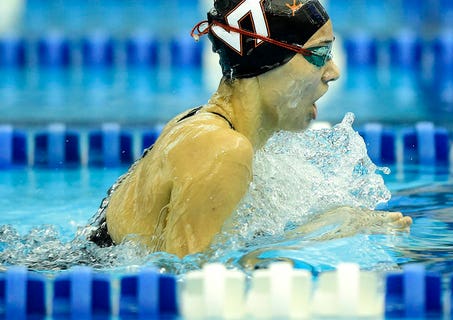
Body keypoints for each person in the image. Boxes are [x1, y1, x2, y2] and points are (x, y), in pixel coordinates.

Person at [88, 0, 412, 258]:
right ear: (269, 60)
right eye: (319, 54)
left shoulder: (205, 126)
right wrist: (321, 235)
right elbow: (186, 283)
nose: (333, 72)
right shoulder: (223, 150)